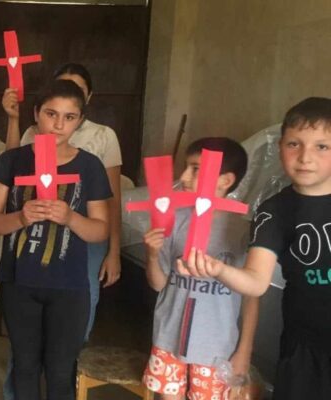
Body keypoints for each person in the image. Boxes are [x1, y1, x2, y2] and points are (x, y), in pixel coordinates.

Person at [179, 97, 331, 400]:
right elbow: (256, 282)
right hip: (303, 348)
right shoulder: (274, 211)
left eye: (321, 146)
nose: (305, 157)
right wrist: (220, 269)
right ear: (280, 148)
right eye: (294, 144)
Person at [0, 79, 111, 399]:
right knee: (25, 365)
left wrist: (70, 218)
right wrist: (21, 218)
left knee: (60, 370)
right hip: (19, 282)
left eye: (69, 117)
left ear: (80, 121)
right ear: (36, 113)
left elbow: (100, 230)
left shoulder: (90, 166)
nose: (58, 124)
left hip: (69, 286)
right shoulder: (12, 161)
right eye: (51, 114)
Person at [141, 137, 258, 399]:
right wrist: (152, 255)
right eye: (185, 167)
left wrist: (244, 351)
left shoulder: (243, 230)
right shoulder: (174, 219)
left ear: (225, 180)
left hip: (216, 348)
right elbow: (159, 284)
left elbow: (252, 296)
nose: (183, 176)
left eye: (195, 169)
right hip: (168, 339)